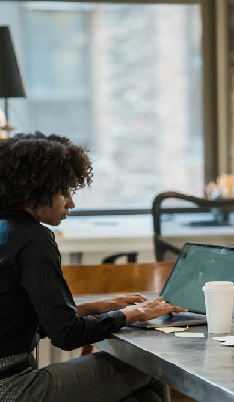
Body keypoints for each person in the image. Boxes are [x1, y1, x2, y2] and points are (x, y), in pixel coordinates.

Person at [0, 132, 188, 401]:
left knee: (144, 398)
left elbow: (23, 322)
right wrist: (134, 313)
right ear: (38, 189)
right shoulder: (33, 239)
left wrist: (95, 307)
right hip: (14, 388)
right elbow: (66, 335)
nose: (71, 203)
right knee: (150, 366)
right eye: (64, 191)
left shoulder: (6, 231)